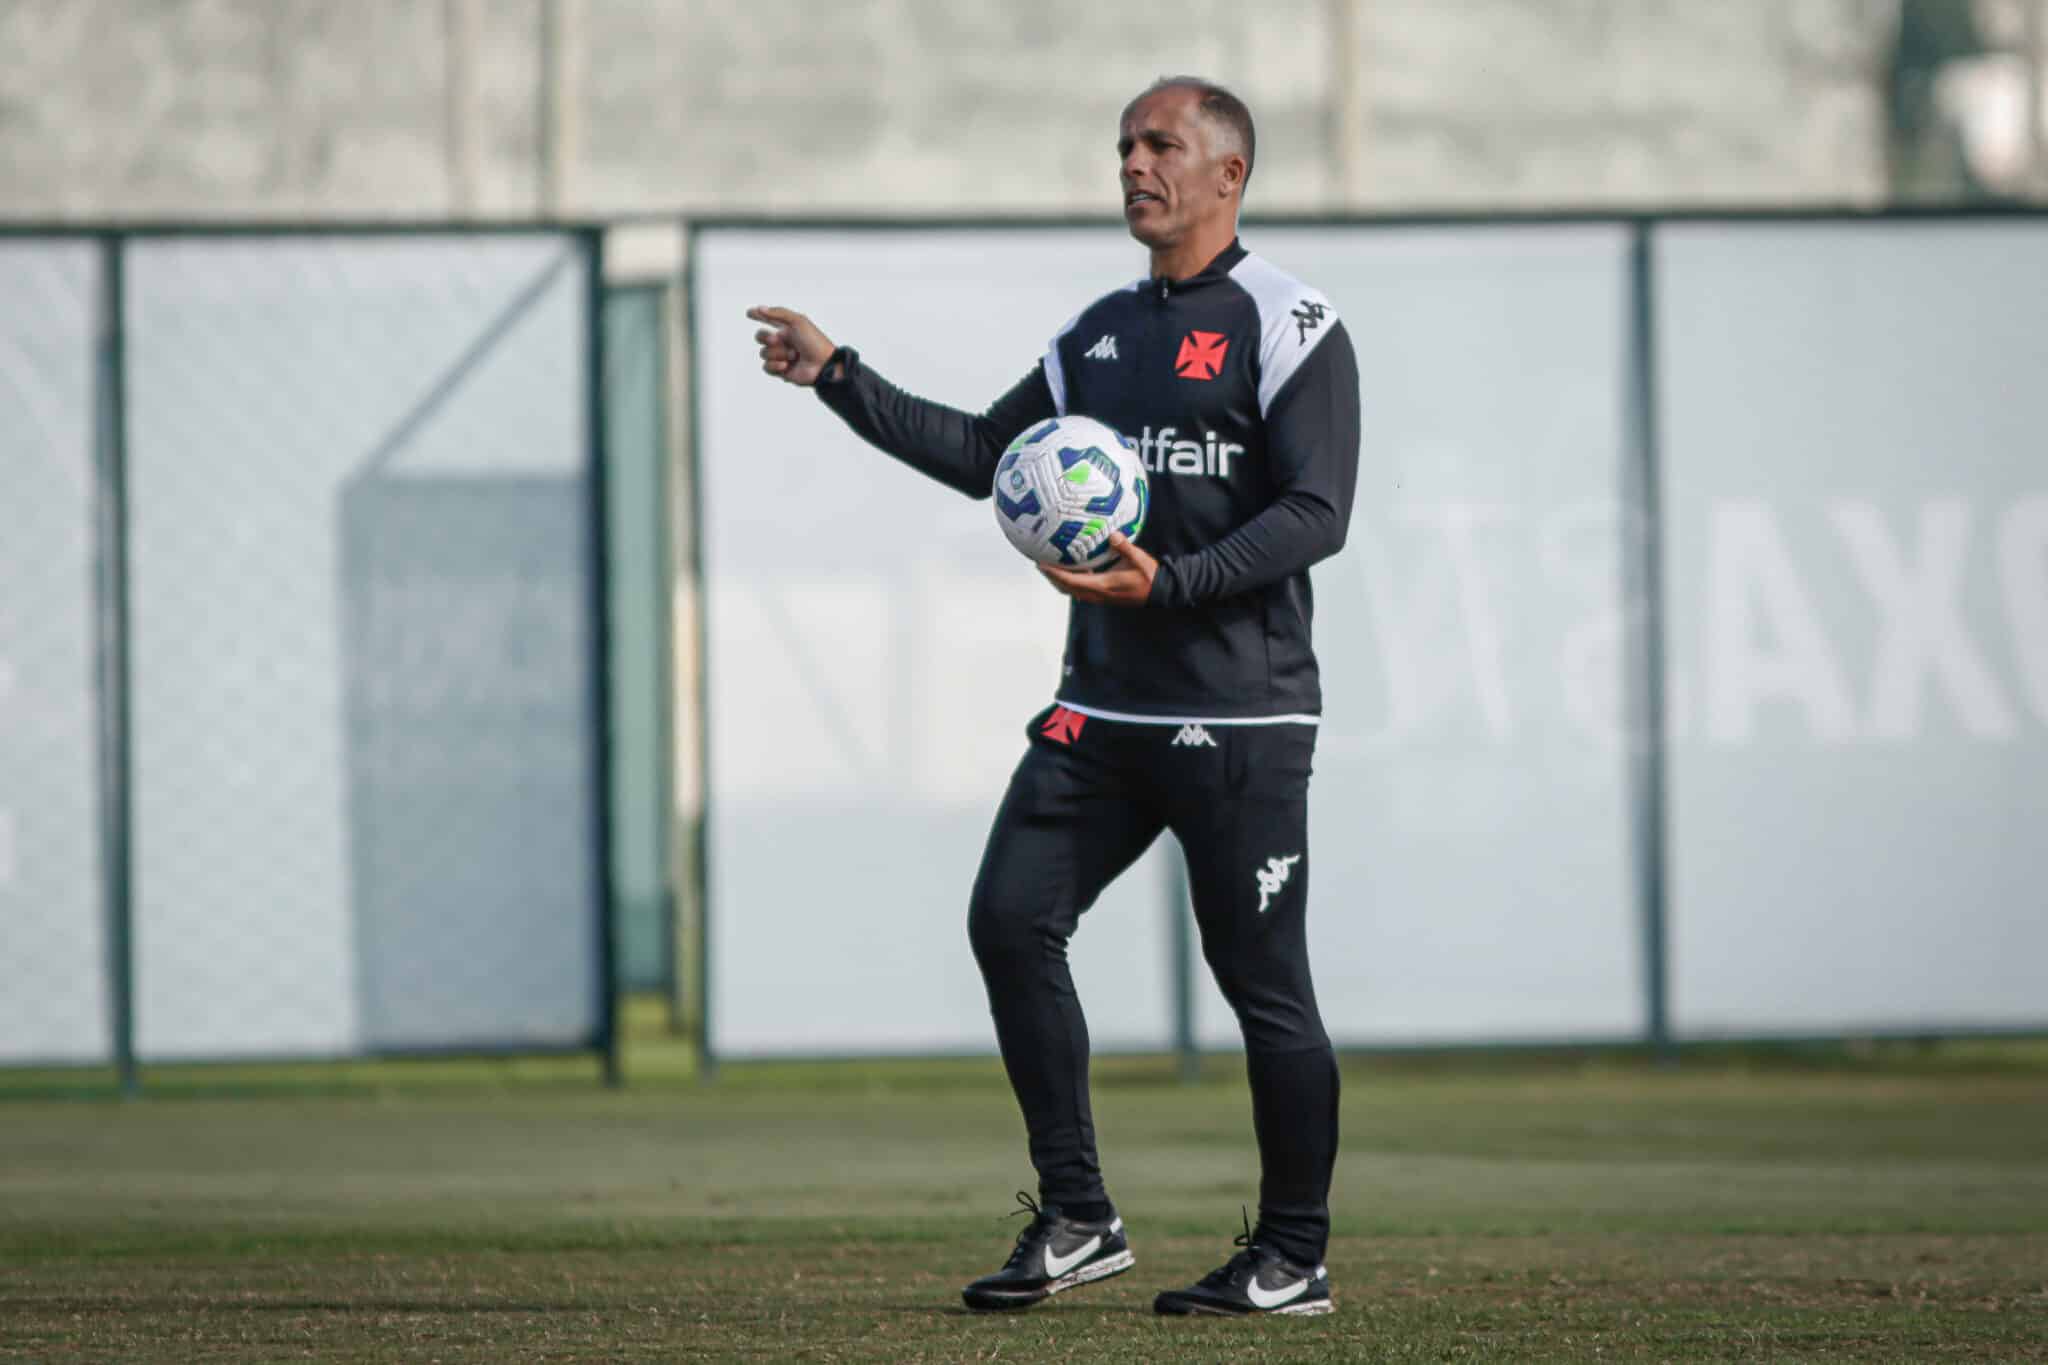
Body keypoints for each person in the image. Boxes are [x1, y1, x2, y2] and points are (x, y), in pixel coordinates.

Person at [748, 75, 1360, 1319]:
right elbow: (987, 454)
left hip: (1240, 717)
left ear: (1228, 173)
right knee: (1008, 920)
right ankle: (1078, 1215)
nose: (1133, 164)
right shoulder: (1096, 335)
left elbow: (1317, 512)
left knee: (1262, 985)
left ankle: (1292, 1255)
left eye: (1160, 145)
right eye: (1124, 145)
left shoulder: (1291, 325)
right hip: (1099, 714)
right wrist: (838, 375)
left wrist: (1173, 582)